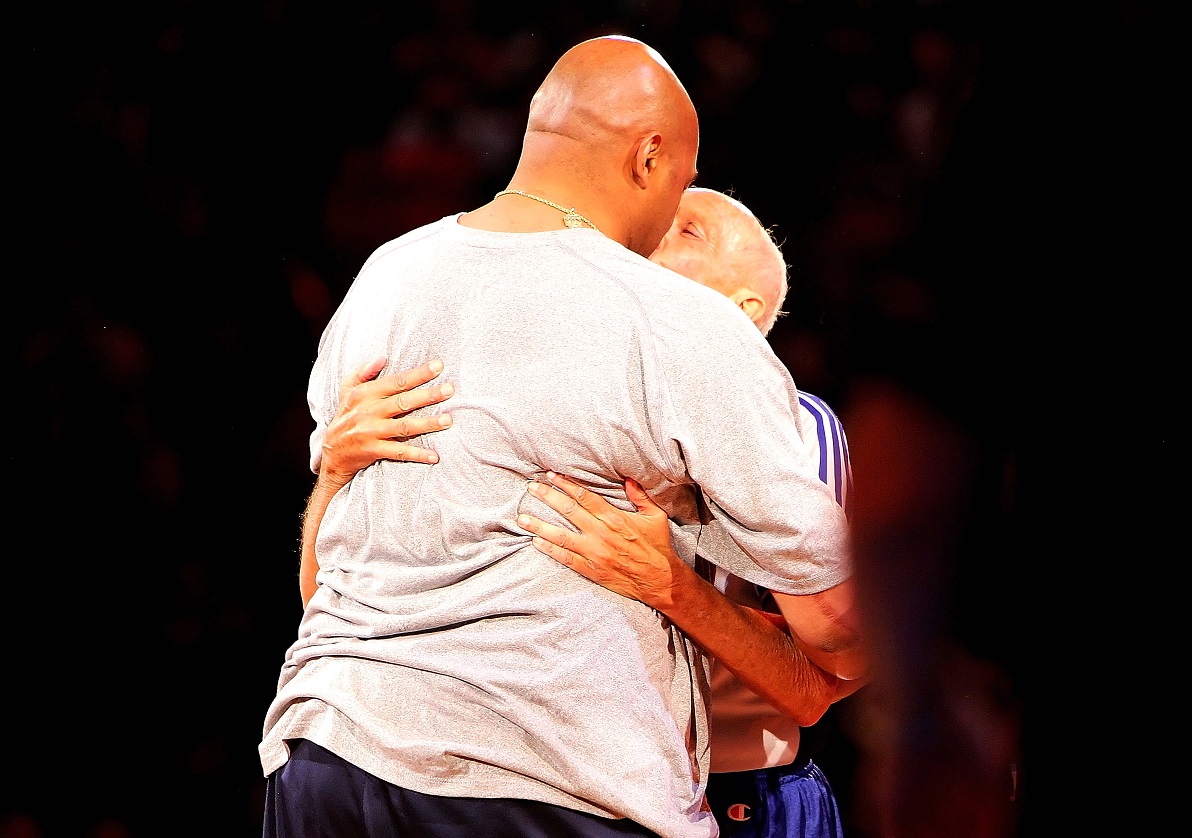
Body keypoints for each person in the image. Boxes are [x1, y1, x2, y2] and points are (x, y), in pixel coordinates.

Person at [261, 35, 860, 838]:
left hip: (326, 756)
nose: (661, 232)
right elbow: (846, 634)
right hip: (544, 775)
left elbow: (334, 598)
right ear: (649, 158)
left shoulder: (384, 277)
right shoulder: (668, 322)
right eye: (680, 192)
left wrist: (334, 477)